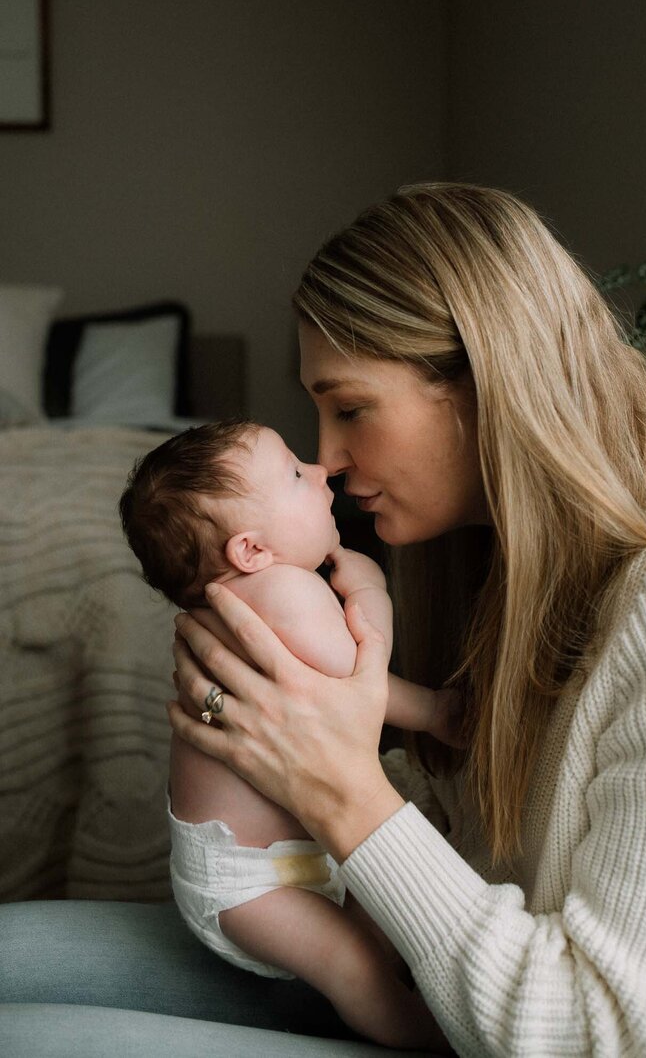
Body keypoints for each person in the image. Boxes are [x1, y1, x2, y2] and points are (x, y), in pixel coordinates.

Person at [2, 183, 646, 1057]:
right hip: (440, 985)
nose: (331, 461)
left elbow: (615, 1038)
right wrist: (276, 749)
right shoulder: (504, 550)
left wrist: (335, 783)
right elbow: (469, 844)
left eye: (349, 408)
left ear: (487, 375)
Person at [118, 420, 452, 1053]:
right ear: (251, 551)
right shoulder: (282, 593)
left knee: (373, 943)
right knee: (358, 967)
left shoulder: (238, 600)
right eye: (297, 475)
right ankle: (429, 1041)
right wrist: (372, 593)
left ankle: (391, 1012)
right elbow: (359, 679)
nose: (322, 471)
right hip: (253, 884)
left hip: (270, 866)